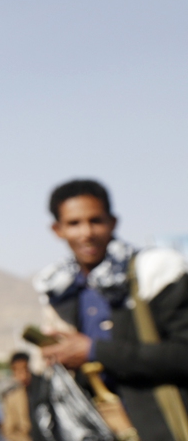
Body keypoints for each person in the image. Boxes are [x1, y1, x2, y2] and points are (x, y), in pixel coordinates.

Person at [34, 179, 188, 441]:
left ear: (113, 222)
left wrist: (93, 350)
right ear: (57, 229)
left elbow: (182, 353)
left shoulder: (154, 273)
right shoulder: (60, 292)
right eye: (74, 223)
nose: (86, 233)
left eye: (96, 220)